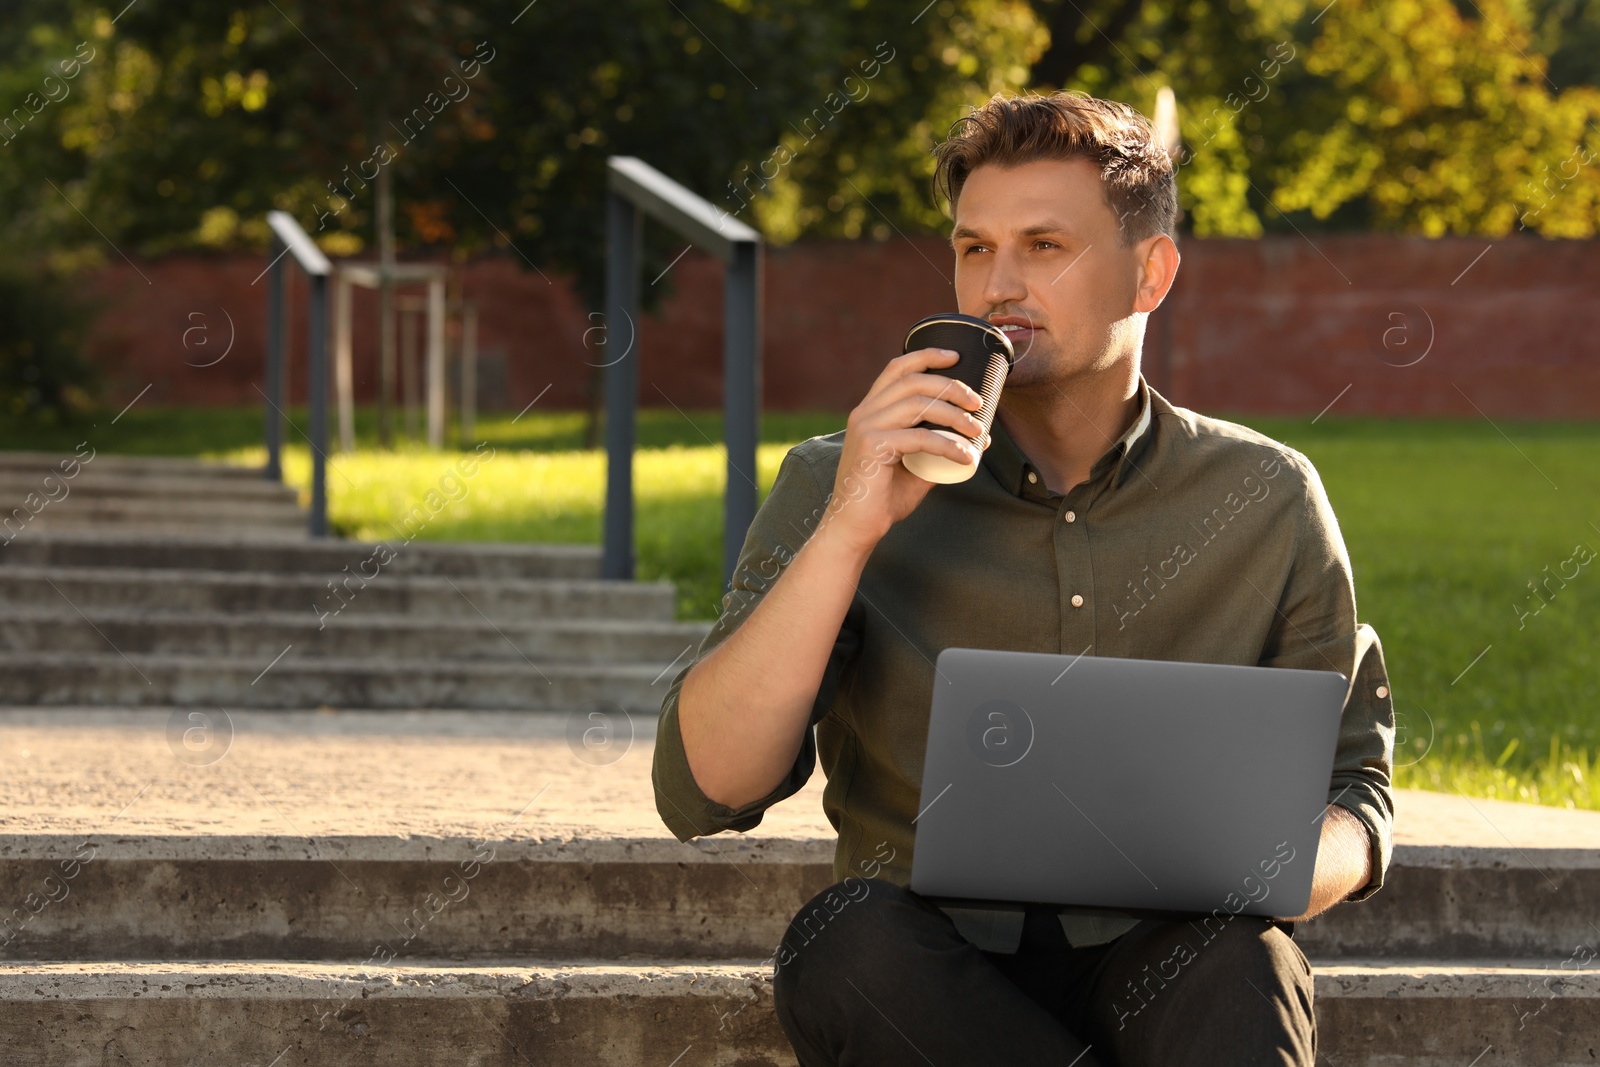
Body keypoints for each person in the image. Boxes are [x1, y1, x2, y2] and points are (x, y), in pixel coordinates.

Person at [652, 89, 1394, 1067]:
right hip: (924, 955)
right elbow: (704, 786)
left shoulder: (1267, 496)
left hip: (1168, 947)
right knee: (840, 943)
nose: (997, 284)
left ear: (1150, 272)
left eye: (1044, 246)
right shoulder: (833, 480)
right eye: (972, 247)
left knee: (1239, 959)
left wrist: (1288, 864)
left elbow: (1357, 793)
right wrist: (849, 524)